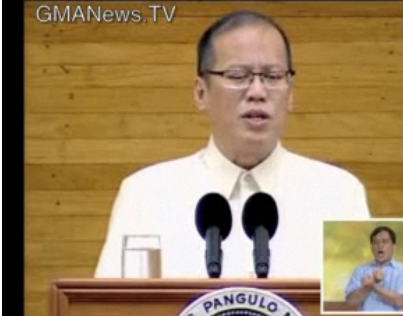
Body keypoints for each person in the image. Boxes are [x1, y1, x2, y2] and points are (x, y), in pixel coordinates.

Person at [95, 11, 370, 279]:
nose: (258, 92)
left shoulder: (338, 195)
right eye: (238, 76)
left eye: (273, 77)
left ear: (290, 94)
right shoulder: (147, 195)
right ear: (201, 93)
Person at [345, 226, 403, 311]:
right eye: (375, 242)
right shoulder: (360, 270)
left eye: (385, 242)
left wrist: (373, 285)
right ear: (371, 248)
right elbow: (351, 302)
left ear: (394, 246)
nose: (380, 246)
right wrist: (367, 288)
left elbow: (400, 302)